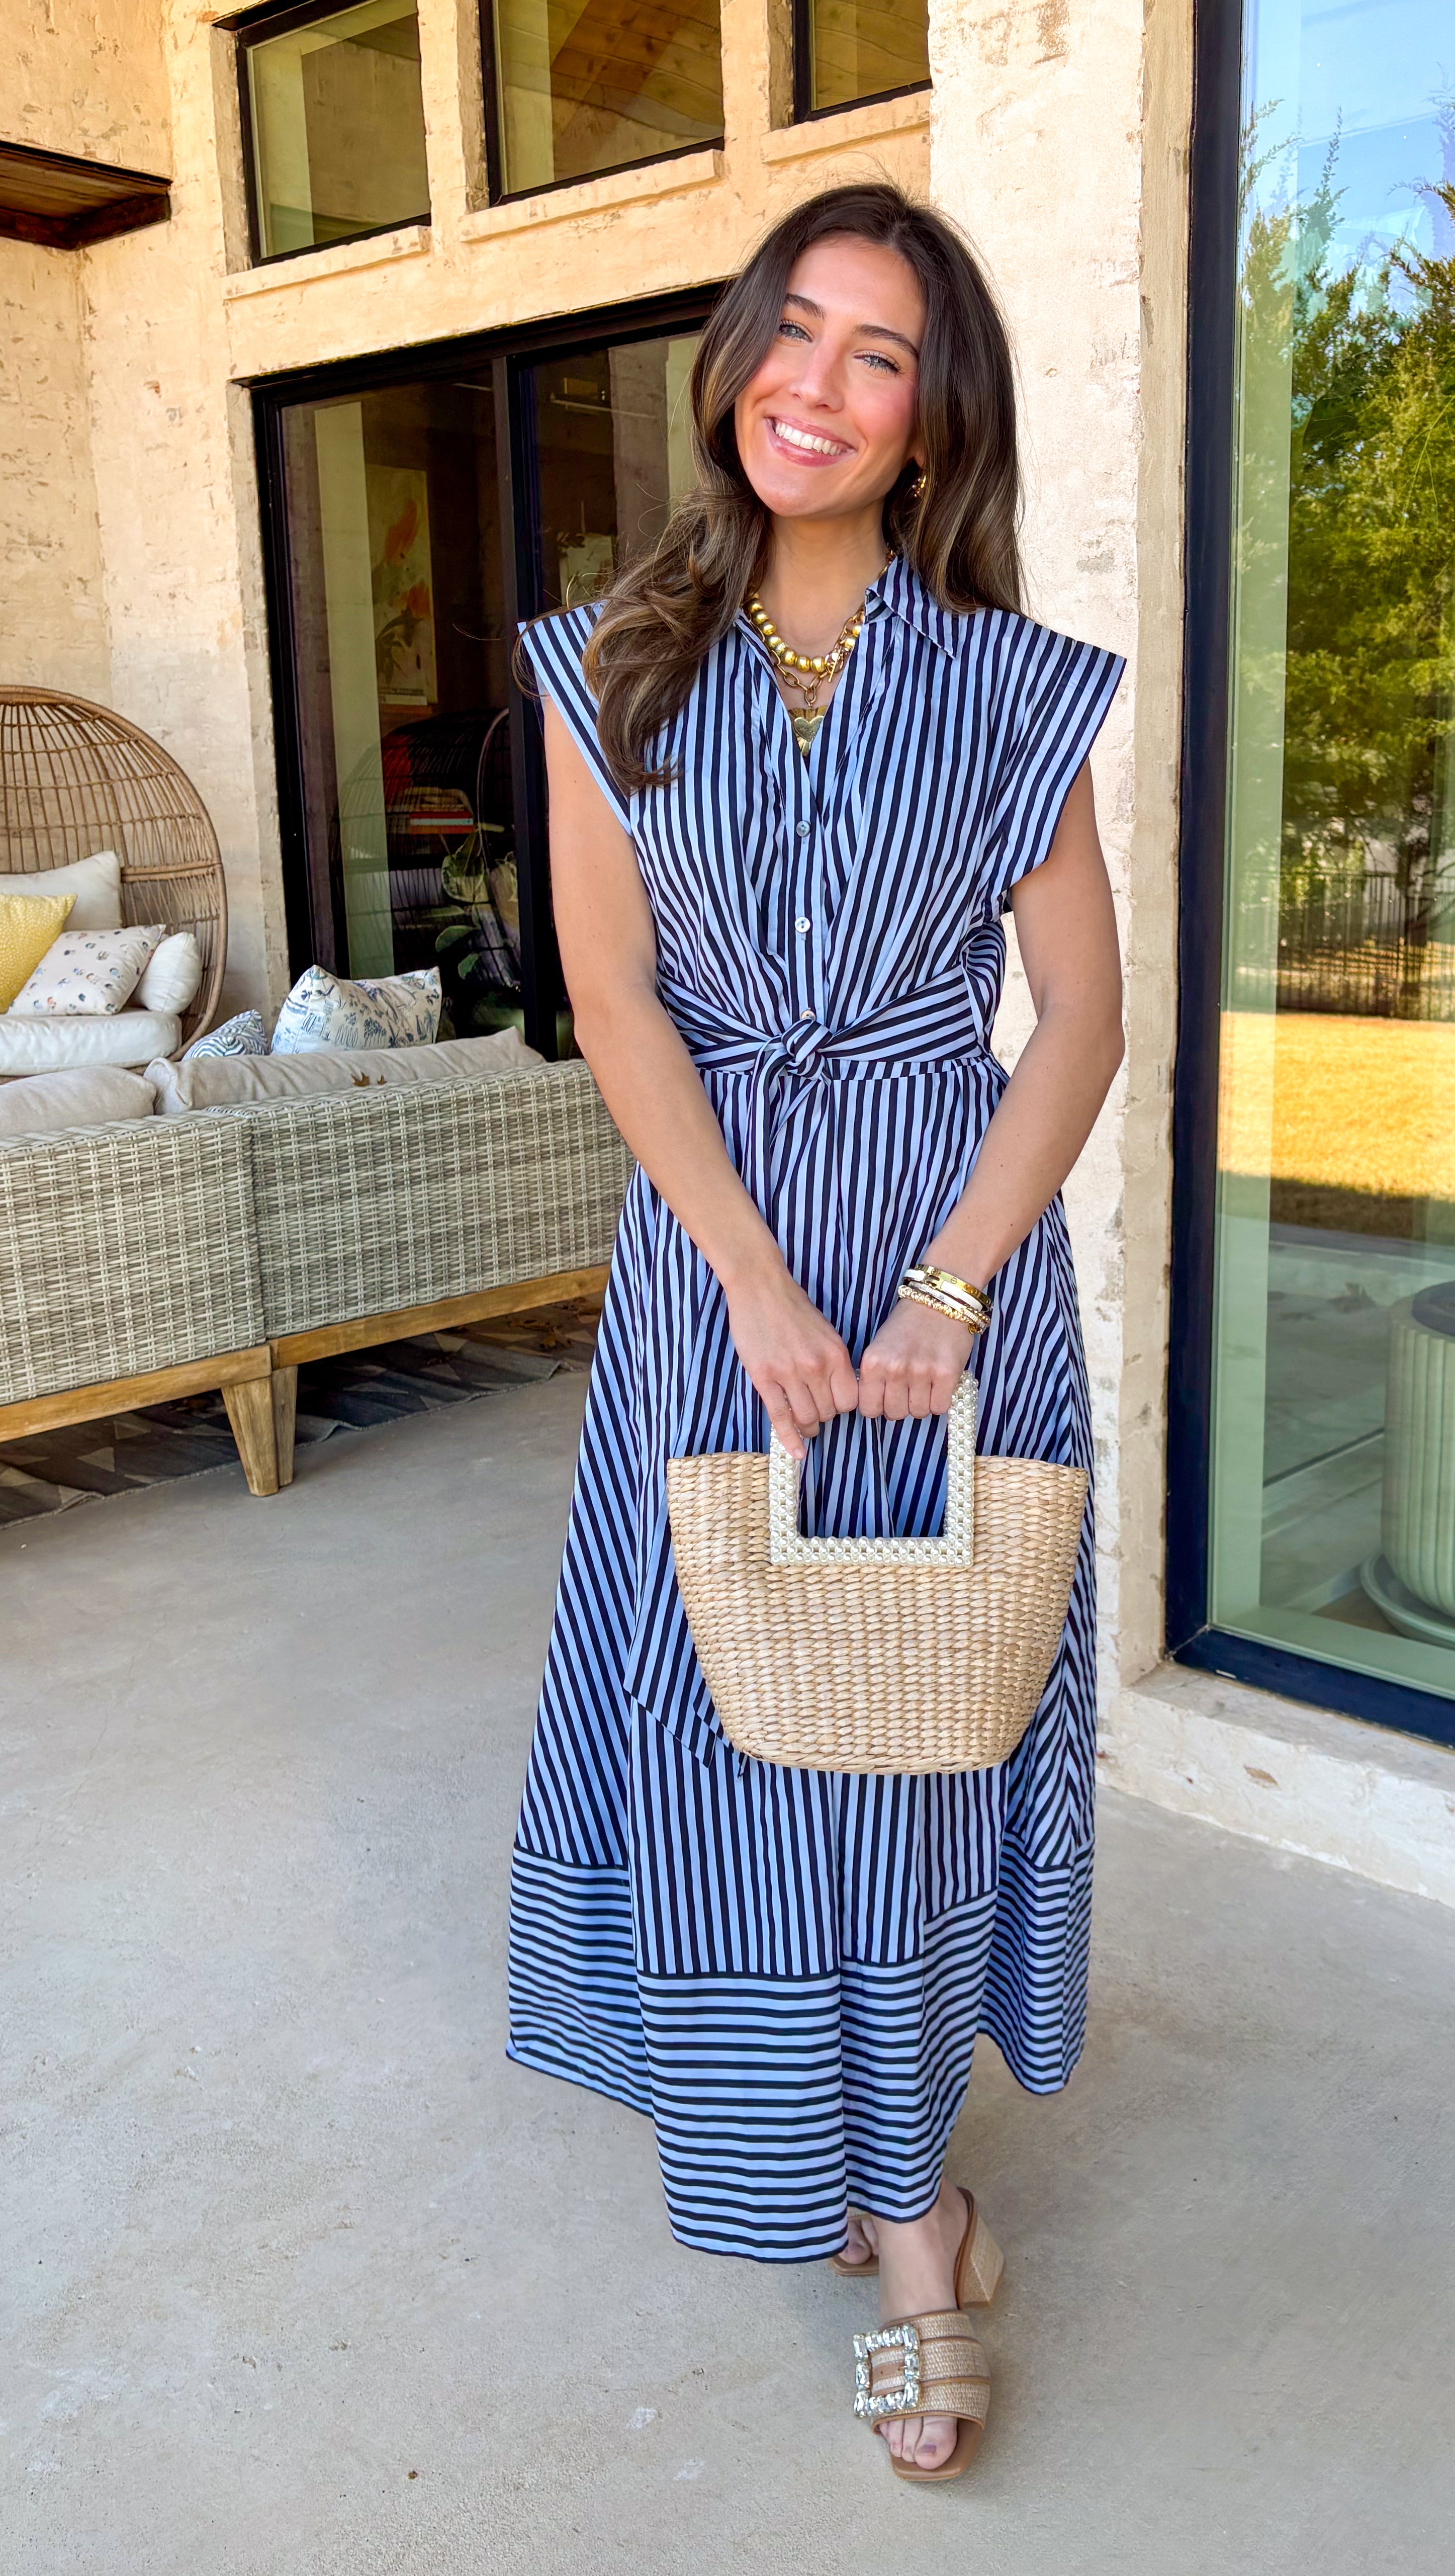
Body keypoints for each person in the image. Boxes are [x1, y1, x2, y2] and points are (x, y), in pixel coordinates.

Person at [507, 180, 1125, 2480]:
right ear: (734, 357)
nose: (818, 380)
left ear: (932, 418)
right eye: (797, 327)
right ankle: (833, 2173)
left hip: (953, 1265)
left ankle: (914, 2210)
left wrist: (952, 1285)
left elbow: (1076, 1019)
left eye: (879, 352)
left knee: (928, 1725)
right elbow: (615, 994)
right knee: (741, 1738)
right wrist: (758, 1280)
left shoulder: (1006, 681)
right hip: (716, 1271)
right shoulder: (607, 665)